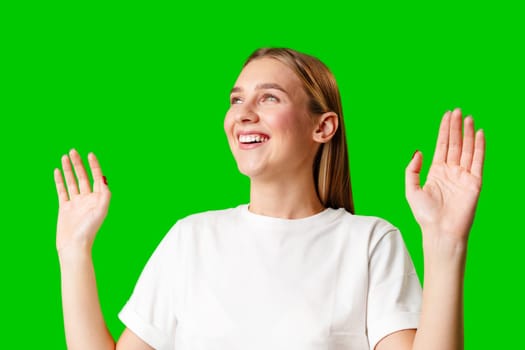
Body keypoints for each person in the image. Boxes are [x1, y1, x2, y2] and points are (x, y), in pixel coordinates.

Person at [54, 48, 485, 350]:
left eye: (269, 98)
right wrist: (74, 251)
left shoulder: (368, 243)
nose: (242, 113)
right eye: (237, 99)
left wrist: (446, 244)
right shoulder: (191, 239)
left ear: (324, 127)